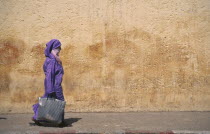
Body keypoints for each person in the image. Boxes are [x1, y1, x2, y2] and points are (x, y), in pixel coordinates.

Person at [32, 39, 65, 126]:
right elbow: (50, 75)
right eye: (59, 47)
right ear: (54, 48)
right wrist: (50, 88)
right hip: (54, 85)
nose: (60, 49)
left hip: (52, 84)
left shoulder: (52, 59)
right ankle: (59, 121)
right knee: (60, 102)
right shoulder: (53, 61)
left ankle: (38, 117)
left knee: (47, 101)